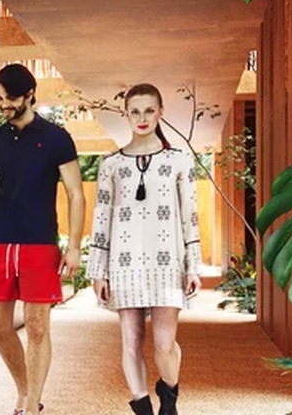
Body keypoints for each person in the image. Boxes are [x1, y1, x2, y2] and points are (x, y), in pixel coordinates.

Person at [0, 64, 84, 415]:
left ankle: (30, 406)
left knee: (36, 326)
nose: (4, 105)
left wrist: (73, 246)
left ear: (30, 94)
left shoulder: (57, 138)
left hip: (41, 244)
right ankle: (25, 390)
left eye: (11, 98)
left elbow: (76, 193)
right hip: (0, 244)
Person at [86, 83, 202, 415]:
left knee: (165, 344)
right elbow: (101, 218)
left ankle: (169, 396)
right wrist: (99, 271)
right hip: (124, 263)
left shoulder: (179, 160)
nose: (142, 117)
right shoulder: (111, 164)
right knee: (131, 341)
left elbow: (189, 216)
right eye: (135, 111)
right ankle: (143, 407)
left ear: (160, 112)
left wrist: (193, 265)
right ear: (125, 114)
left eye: (149, 110)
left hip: (168, 262)